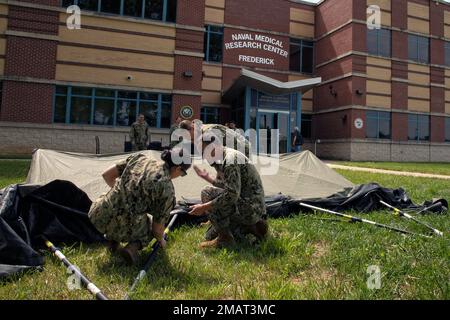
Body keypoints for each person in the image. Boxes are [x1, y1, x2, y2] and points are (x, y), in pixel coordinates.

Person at [88, 148, 191, 265]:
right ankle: (132, 249)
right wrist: (161, 241)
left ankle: (113, 242)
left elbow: (107, 175)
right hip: (123, 224)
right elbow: (157, 229)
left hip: (99, 215)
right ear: (177, 168)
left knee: (115, 202)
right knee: (149, 223)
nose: (181, 175)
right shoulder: (167, 189)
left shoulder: (139, 159)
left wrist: (122, 196)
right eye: (183, 173)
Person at [188, 142, 268, 249]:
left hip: (251, 208)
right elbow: (231, 185)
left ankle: (225, 238)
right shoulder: (226, 155)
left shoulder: (229, 160)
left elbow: (231, 195)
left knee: (206, 192)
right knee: (209, 235)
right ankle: (252, 227)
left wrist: (204, 207)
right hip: (252, 205)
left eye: (204, 152)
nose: (204, 157)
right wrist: (209, 179)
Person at [179, 120, 251, 157]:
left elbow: (218, 154)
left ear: (193, 128)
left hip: (242, 148)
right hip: (232, 150)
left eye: (189, 137)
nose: (191, 140)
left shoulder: (209, 132)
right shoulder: (200, 133)